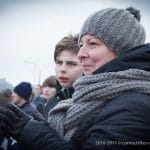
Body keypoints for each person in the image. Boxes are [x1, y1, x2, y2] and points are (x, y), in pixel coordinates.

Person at [0, 6, 150, 150]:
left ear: (122, 49)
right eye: (81, 44)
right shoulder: (84, 97)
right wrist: (43, 127)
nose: (80, 53)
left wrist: (35, 135)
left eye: (92, 43)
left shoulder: (135, 107)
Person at [42, 34, 83, 118]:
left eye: (71, 63)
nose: (62, 69)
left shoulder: (93, 102)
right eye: (59, 62)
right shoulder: (51, 103)